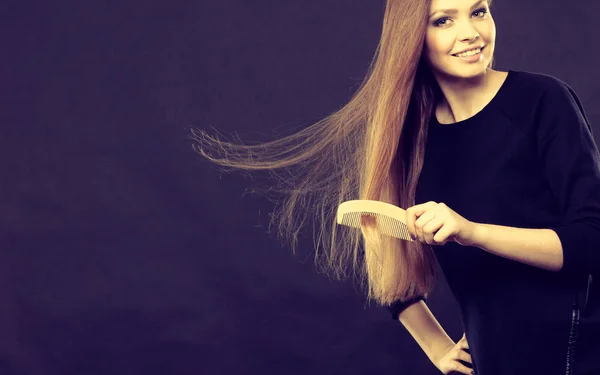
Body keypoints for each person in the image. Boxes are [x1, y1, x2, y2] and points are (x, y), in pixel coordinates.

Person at [191, 0, 600, 374]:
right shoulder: (411, 137)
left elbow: (591, 242)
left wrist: (470, 232)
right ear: (412, 37)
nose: (472, 32)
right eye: (443, 20)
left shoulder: (543, 100)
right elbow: (389, 265)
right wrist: (436, 346)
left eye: (479, 11)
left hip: (577, 354)